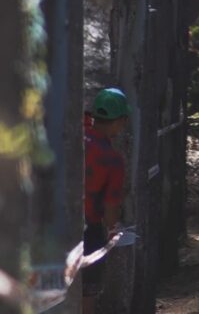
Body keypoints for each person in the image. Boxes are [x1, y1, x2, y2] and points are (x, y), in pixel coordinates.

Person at [83, 88, 131, 313]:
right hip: (86, 231)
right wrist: (114, 231)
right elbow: (110, 206)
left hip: (49, 222)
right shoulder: (112, 160)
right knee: (87, 291)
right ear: (120, 121)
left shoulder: (73, 134)